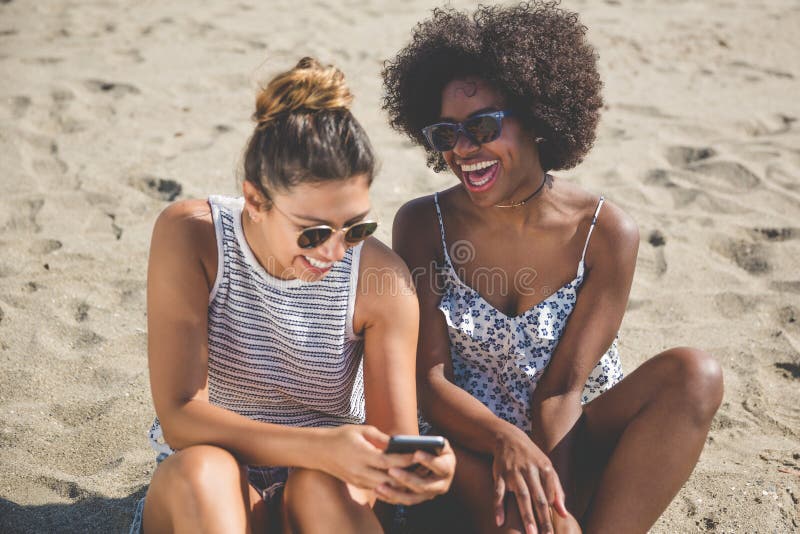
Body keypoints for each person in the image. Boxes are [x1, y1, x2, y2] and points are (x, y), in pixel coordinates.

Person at [382, 3, 723, 533]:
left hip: (569, 434)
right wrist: (508, 445)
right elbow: (429, 382)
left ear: (537, 119)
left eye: (483, 125)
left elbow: (561, 391)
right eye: (446, 134)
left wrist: (548, 495)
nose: (464, 149)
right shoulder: (424, 224)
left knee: (694, 375)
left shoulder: (605, 233)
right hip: (469, 447)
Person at [131, 57, 455, 534]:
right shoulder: (194, 237)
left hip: (328, 489)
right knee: (204, 473)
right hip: (215, 487)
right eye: (313, 231)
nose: (334, 251)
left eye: (356, 227)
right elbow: (181, 416)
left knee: (318, 485)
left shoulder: (380, 279)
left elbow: (390, 451)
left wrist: (421, 468)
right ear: (257, 201)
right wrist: (320, 447)